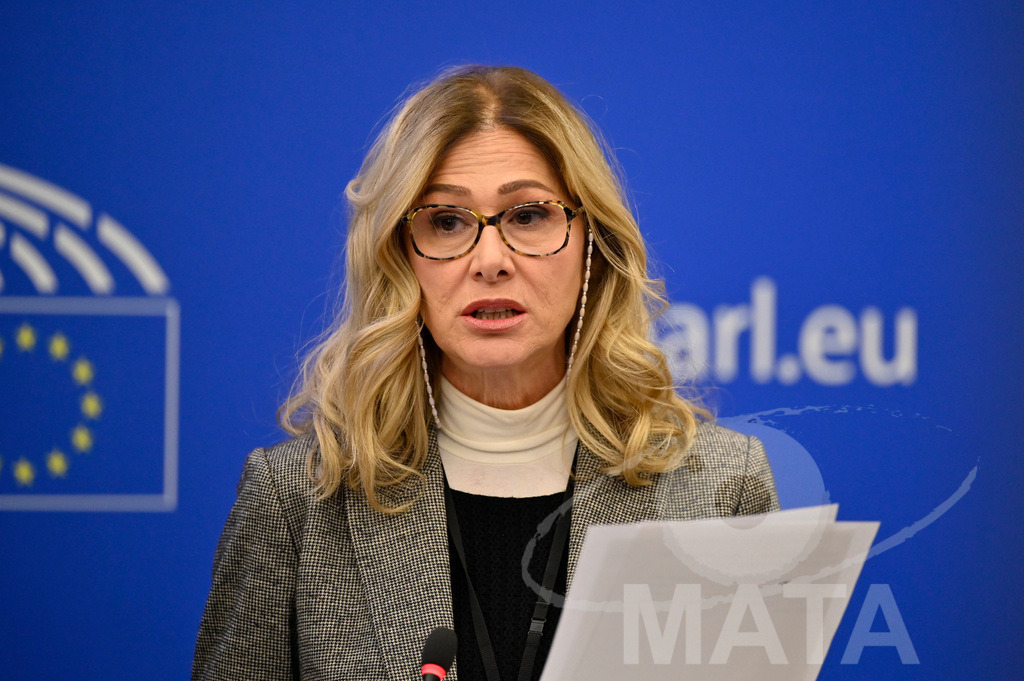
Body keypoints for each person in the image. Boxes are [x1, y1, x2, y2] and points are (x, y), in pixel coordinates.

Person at [192, 65, 778, 681]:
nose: (490, 260)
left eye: (528, 215)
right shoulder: (297, 500)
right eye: (446, 222)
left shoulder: (721, 491)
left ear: (592, 245)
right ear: (399, 255)